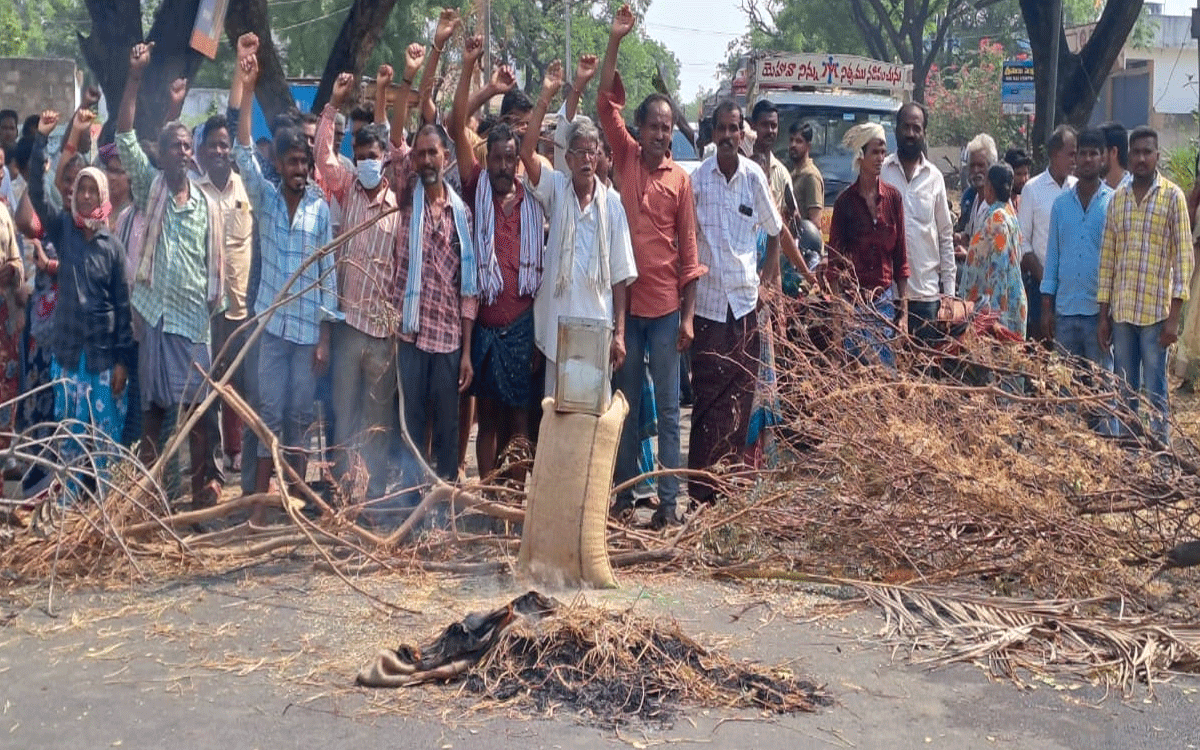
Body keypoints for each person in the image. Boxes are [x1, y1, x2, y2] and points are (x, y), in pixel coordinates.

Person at [599, 4, 703, 527]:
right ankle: (621, 498)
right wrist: (615, 41)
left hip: (664, 314)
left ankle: (668, 503)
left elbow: (689, 253)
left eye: (668, 127)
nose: (662, 133)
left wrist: (687, 318)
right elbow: (603, 105)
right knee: (624, 408)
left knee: (666, 412)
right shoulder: (624, 157)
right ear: (640, 128)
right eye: (654, 125)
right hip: (625, 313)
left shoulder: (679, 181)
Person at [117, 43, 227, 512]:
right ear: (159, 155)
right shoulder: (150, 188)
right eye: (173, 146)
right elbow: (124, 135)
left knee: (198, 416)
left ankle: (201, 503)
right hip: (156, 319)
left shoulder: (206, 202)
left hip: (195, 324)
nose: (181, 152)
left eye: (187, 145)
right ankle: (152, 503)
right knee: (154, 414)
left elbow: (213, 269)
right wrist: (136, 78)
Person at [234, 39, 339, 519]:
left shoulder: (321, 209)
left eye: (304, 162)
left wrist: (323, 338)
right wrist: (247, 86)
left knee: (299, 420)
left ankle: (295, 505)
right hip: (272, 331)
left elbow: (327, 278)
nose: (298, 169)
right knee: (267, 418)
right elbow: (240, 152)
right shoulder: (267, 199)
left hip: (305, 337)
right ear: (278, 165)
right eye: (290, 162)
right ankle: (260, 507)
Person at [450, 34, 545, 485]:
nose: (506, 165)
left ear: (519, 161)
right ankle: (488, 497)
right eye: (499, 158)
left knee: (522, 422)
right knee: (487, 422)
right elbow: (455, 123)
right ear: (487, 161)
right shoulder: (475, 190)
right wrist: (475, 72)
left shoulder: (534, 201)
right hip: (485, 325)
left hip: (523, 324)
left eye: (512, 158)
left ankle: (516, 496)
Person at [387, 42, 480, 482]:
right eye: (420, 154)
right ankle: (408, 508)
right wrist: (413, 73)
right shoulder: (408, 196)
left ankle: (443, 515)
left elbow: (468, 290)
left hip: (447, 344)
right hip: (410, 334)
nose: (425, 160)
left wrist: (465, 352)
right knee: (410, 429)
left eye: (432, 154)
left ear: (445, 159)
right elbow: (395, 137)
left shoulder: (462, 213)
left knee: (446, 431)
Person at [520, 60, 637, 403]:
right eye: (580, 153)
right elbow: (527, 153)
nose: (587, 159)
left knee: (591, 423)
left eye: (593, 152)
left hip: (598, 333)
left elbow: (620, 276)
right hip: (558, 332)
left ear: (601, 157)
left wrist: (620, 334)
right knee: (557, 417)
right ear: (568, 160)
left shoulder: (612, 205)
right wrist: (546, 96)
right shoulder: (556, 190)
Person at [688, 99, 782, 505]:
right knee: (707, 405)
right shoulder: (697, 181)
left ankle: (729, 494)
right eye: (721, 129)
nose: (728, 136)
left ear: (742, 132)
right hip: (707, 309)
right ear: (712, 134)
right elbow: (686, 242)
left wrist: (767, 284)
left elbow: (776, 231)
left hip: (745, 307)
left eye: (734, 129)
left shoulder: (754, 178)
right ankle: (700, 494)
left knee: (739, 404)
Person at [317, 68, 400, 501]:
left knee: (377, 418)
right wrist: (333, 104)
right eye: (361, 153)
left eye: (374, 154)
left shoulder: (396, 206)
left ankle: (374, 495)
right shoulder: (346, 188)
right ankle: (343, 491)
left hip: (383, 336)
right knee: (344, 415)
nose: (368, 160)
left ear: (384, 156)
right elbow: (322, 158)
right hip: (348, 327)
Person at [26, 146, 134, 480]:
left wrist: (122, 362)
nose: (85, 195)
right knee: (70, 439)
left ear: (102, 195)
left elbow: (122, 307)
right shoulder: (63, 230)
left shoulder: (112, 247)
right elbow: (37, 192)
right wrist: (40, 141)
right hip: (69, 356)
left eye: (92, 190)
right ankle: (69, 511)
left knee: (105, 443)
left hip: (103, 360)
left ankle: (105, 511)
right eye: (81, 189)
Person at [1098, 126, 1194, 443]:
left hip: (1156, 316)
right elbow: (1108, 260)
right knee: (1125, 392)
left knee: (1156, 393)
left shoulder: (1173, 197)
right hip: (1123, 315)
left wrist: (1174, 319)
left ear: (1157, 156)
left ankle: (1159, 462)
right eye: (1136, 151)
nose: (1141, 158)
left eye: (1147, 152)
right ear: (1128, 154)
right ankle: (1130, 461)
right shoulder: (1118, 201)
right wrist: (1103, 316)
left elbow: (1183, 260)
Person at [194, 114, 254, 474]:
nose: (219, 150)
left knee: (239, 383)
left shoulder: (246, 189)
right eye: (212, 144)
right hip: (205, 309)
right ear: (202, 150)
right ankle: (211, 459)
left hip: (242, 307)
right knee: (209, 383)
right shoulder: (195, 191)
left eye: (223, 144)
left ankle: (237, 451)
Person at [828, 122, 909, 365]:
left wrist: (902, 315)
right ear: (860, 155)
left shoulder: (893, 199)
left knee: (884, 378)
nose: (880, 158)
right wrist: (838, 322)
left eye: (883, 152)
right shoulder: (845, 204)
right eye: (875, 152)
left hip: (884, 304)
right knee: (858, 377)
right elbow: (834, 265)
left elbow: (901, 261)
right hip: (855, 305)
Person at [1040, 127, 1113, 369]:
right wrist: (1047, 309)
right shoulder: (1061, 206)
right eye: (1082, 153)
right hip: (1066, 312)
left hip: (1098, 314)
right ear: (1075, 158)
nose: (1087, 159)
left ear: (1103, 158)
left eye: (1094, 153)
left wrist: (1108, 314)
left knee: (1102, 390)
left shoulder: (1114, 203)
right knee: (1066, 390)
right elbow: (1052, 260)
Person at [881, 101, 955, 341]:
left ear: (924, 132)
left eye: (916, 128)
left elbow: (945, 235)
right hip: (887, 296)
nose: (911, 133)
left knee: (924, 373)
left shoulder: (934, 178)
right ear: (896, 130)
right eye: (906, 127)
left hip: (927, 298)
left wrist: (949, 294)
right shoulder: (882, 172)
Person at [1019, 125, 1076, 342]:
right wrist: (1046, 279)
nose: (1075, 160)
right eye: (1070, 154)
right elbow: (1022, 241)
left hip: (1073, 291)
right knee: (1039, 352)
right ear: (1054, 154)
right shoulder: (1033, 189)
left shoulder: (1078, 189)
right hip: (1040, 287)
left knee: (1069, 357)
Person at [961, 164, 1027, 338]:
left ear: (989, 188)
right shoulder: (1005, 213)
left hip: (1000, 312)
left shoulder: (998, 219)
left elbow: (998, 270)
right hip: (1000, 307)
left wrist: (993, 318)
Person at [953, 133, 997, 262]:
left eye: (981, 165)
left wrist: (968, 255)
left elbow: (998, 253)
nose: (976, 170)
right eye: (972, 166)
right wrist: (962, 237)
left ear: (991, 166)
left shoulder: (997, 204)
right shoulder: (975, 198)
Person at [788, 120, 823, 225]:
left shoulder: (811, 176)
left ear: (808, 146)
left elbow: (815, 223)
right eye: (791, 140)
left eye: (799, 141)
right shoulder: (793, 174)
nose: (793, 145)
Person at [1099, 121, 1129, 190]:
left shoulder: (1136, 190)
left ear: (1113, 152)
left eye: (1100, 151)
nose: (1095, 158)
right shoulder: (1096, 192)